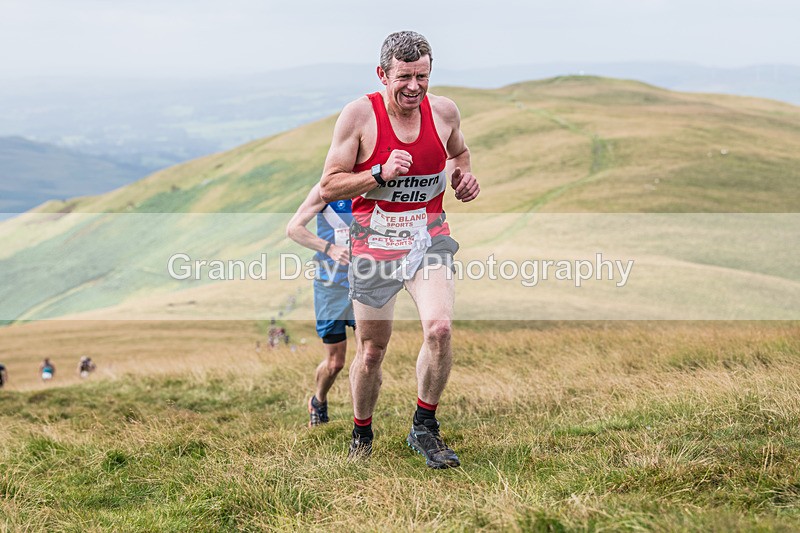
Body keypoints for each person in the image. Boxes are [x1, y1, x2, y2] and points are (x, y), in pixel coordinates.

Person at [319, 31, 480, 468]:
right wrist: (378, 172)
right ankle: (361, 430)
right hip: (374, 243)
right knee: (371, 351)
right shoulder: (358, 116)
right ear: (382, 74)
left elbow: (460, 154)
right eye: (404, 77)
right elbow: (330, 184)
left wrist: (464, 177)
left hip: (429, 237)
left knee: (440, 329)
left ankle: (424, 427)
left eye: (422, 76)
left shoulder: (444, 112)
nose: (414, 86)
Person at [287, 183, 355, 427]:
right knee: (336, 362)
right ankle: (318, 400)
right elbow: (294, 229)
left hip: (367, 284)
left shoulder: (376, 183)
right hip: (331, 286)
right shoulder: (327, 188)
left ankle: (362, 422)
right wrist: (330, 248)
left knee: (371, 353)